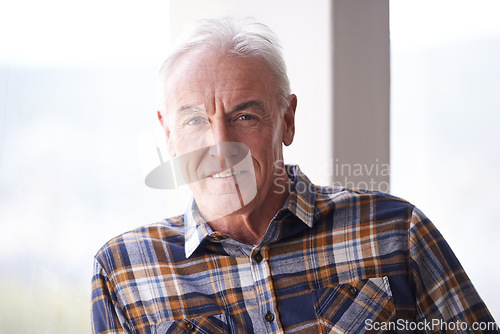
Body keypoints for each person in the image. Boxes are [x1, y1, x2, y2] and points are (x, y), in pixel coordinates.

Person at [91, 17, 498, 333]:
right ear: (168, 134)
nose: (221, 145)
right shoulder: (123, 271)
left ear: (287, 120)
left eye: (245, 116)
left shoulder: (395, 231)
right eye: (195, 120)